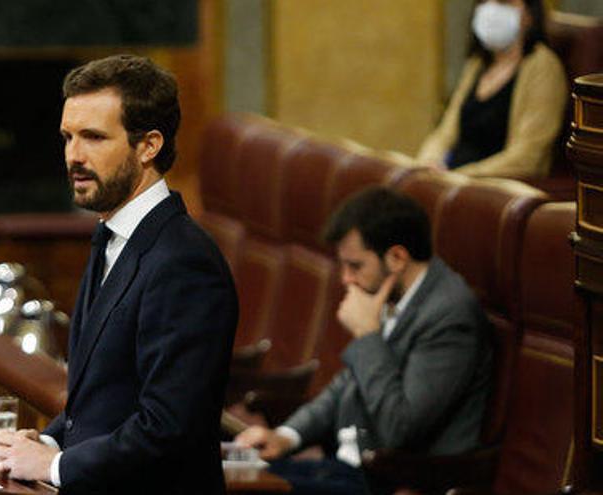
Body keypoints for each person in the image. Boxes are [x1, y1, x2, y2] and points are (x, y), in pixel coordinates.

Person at [0, 54, 239, 494]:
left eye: (93, 138)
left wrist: (58, 466)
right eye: (67, 137)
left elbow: (168, 425)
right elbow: (102, 399)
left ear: (149, 146)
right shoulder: (112, 237)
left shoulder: (184, 262)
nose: (73, 156)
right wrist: (45, 440)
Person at [235, 187, 492, 495]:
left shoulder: (450, 316)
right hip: (345, 471)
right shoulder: (394, 291)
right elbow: (346, 387)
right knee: (216, 474)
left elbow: (400, 429)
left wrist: (368, 336)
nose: (346, 279)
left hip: (393, 480)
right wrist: (286, 436)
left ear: (397, 257)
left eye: (355, 266)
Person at [416, 0, 568, 179]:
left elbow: (529, 157)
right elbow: (446, 131)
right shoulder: (478, 63)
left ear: (529, 14)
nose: (492, 9)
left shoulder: (543, 66)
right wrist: (428, 162)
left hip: (493, 186)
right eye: (485, 1)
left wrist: (458, 177)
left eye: (504, 2)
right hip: (453, 180)